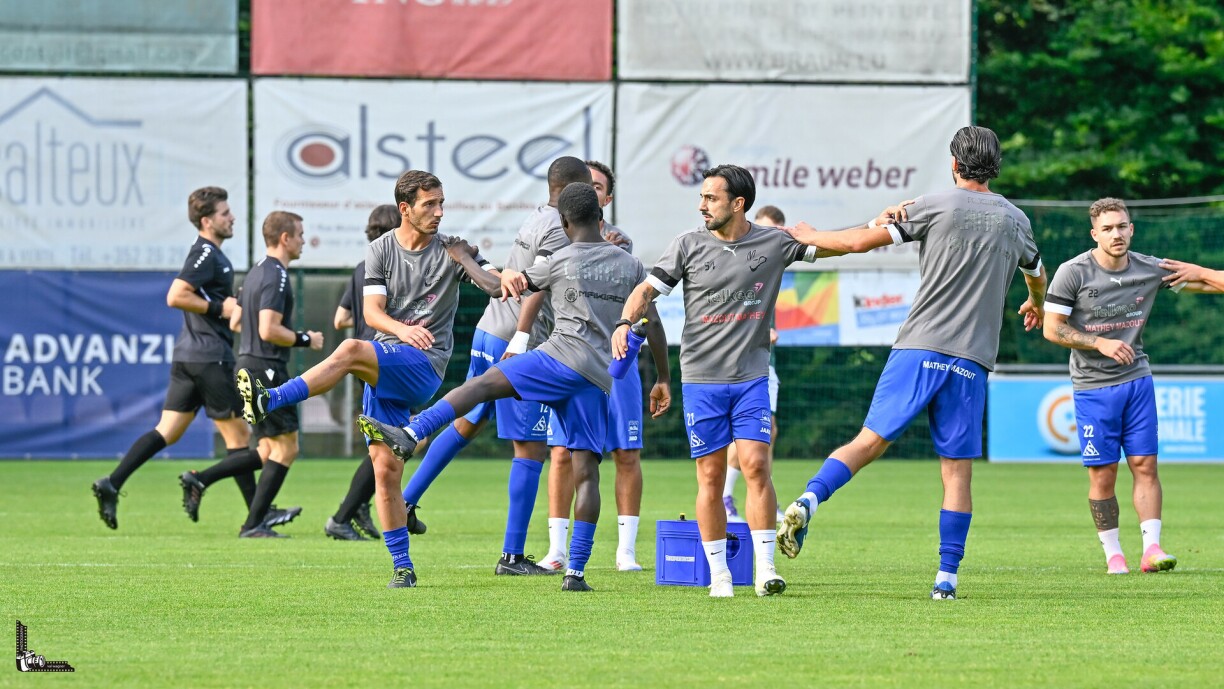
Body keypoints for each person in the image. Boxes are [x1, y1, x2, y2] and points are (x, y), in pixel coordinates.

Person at [775, 126, 1047, 601]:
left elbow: (861, 242)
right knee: (956, 471)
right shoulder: (1015, 220)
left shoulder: (934, 204)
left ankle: (809, 499)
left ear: (955, 164)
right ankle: (946, 578)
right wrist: (1035, 303)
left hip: (919, 346)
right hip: (972, 357)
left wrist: (811, 235)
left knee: (869, 441)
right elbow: (1038, 272)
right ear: (995, 166)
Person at [358, 182, 665, 592]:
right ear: (601, 216)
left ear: (564, 220)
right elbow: (654, 322)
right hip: (597, 378)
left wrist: (467, 258)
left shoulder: (561, 259)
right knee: (586, 470)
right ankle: (575, 573)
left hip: (555, 360)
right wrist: (662, 377)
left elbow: (515, 285)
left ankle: (412, 432)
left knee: (484, 386)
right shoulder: (630, 265)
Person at [239, 170, 516, 587]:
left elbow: (497, 289)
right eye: (430, 204)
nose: (439, 212)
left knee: (350, 350)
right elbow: (370, 314)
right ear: (405, 209)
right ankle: (402, 568)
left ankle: (271, 400)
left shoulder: (453, 247)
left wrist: (463, 258)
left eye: (441, 203)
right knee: (384, 469)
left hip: (424, 366)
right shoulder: (381, 250)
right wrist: (402, 330)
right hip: (386, 362)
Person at [616, 165, 826, 598]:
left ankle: (766, 568)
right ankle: (719, 576)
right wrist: (624, 322)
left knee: (755, 465)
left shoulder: (774, 243)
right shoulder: (687, 245)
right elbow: (645, 293)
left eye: (711, 198)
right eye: (702, 197)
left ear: (738, 203)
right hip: (701, 382)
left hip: (751, 377)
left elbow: (841, 247)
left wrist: (886, 228)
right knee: (710, 478)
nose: (701, 205)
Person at [394, 157, 595, 577]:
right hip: (517, 340)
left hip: (489, 328)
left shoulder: (537, 216)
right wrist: (523, 339)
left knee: (467, 422)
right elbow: (537, 289)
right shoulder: (560, 228)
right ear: (576, 188)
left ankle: (406, 500)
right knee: (531, 448)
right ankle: (512, 556)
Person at [1043, 198, 1218, 574]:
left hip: (1137, 380)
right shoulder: (1072, 272)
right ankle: (1113, 554)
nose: (1116, 234)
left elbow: (1212, 284)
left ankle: (1151, 550)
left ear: (1131, 228)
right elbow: (1052, 328)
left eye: (1122, 226)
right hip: (1092, 386)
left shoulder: (1149, 269)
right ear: (1095, 234)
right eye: (1107, 228)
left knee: (1145, 464)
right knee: (1104, 473)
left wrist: (1200, 269)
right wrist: (1099, 342)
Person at [91, 187, 257, 530]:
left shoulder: (213, 255)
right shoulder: (205, 254)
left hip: (189, 355)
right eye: (225, 213)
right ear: (207, 221)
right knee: (240, 440)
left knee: (167, 430)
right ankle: (257, 518)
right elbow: (176, 294)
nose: (232, 217)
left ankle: (112, 483)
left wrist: (231, 308)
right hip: (209, 357)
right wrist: (219, 307)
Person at [538, 160, 671, 573]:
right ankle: (557, 550)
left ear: (606, 198)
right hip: (573, 364)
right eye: (582, 185)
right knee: (561, 454)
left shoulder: (623, 247)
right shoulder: (557, 243)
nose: (589, 191)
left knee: (626, 453)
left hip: (618, 367)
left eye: (596, 187)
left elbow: (645, 310)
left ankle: (625, 551)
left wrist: (664, 374)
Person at [179, 211, 323, 537]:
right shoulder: (277, 275)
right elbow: (268, 328)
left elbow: (235, 323)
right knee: (287, 448)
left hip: (246, 363)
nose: (303, 240)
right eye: (300, 234)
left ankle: (203, 479)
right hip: (266, 368)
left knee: (267, 450)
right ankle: (254, 523)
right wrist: (305, 339)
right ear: (285, 238)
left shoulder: (255, 271)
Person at [322, 204, 431, 542]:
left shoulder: (361, 267)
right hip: (388, 358)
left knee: (390, 443)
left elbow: (340, 319)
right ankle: (350, 513)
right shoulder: (393, 263)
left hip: (367, 361)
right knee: (404, 439)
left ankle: (364, 508)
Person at [724, 205, 785, 525]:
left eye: (774, 232)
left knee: (767, 432)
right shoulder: (738, 264)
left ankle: (763, 497)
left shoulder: (771, 266)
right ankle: (725, 496)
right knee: (747, 435)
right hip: (738, 368)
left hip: (763, 365)